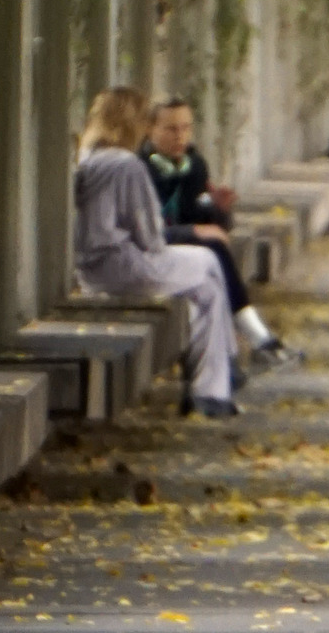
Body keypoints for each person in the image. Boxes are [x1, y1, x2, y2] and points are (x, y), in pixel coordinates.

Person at [74, 85, 239, 417]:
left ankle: (212, 389)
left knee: (207, 290)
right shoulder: (127, 165)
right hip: (125, 266)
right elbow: (150, 237)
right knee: (208, 259)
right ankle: (218, 378)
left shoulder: (88, 157)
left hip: (90, 269)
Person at [141, 97, 293, 364]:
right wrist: (194, 231)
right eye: (171, 129)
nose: (181, 136)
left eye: (186, 128)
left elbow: (205, 220)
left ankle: (231, 356)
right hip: (145, 253)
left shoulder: (194, 165)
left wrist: (219, 209)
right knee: (212, 252)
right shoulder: (138, 170)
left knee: (213, 253)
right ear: (149, 130)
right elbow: (144, 232)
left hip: (181, 248)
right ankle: (253, 340)